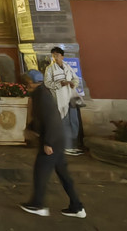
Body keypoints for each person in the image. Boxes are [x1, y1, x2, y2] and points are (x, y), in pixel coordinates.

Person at [20, 70, 86, 219]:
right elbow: (42, 118)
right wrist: (31, 128)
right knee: (64, 175)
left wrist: (48, 142)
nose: (26, 86)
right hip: (57, 139)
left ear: (32, 82)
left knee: (40, 172)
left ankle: (38, 205)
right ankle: (77, 207)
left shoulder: (41, 95)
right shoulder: (42, 93)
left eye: (27, 83)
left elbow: (51, 119)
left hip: (52, 140)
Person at [43, 46, 81, 156]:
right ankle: (67, 146)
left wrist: (73, 84)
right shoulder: (50, 69)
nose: (55, 57)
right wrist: (60, 84)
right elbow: (47, 83)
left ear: (62, 56)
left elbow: (75, 78)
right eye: (53, 55)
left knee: (74, 122)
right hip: (60, 98)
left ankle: (73, 144)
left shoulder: (68, 67)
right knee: (65, 122)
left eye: (57, 55)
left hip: (70, 97)